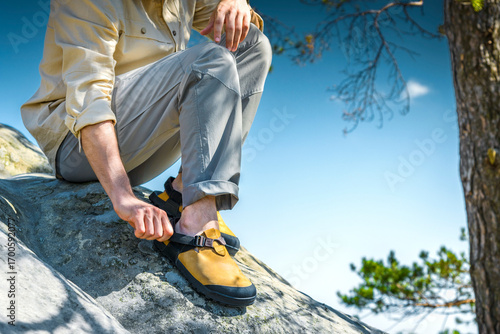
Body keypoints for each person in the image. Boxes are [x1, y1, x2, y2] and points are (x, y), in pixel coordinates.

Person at [21, 0, 272, 306]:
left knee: (252, 44)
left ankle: (183, 198)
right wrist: (123, 196)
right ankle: (195, 229)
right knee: (210, 59)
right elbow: (90, 105)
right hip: (78, 149)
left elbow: (242, 30)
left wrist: (238, 3)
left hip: (140, 145)